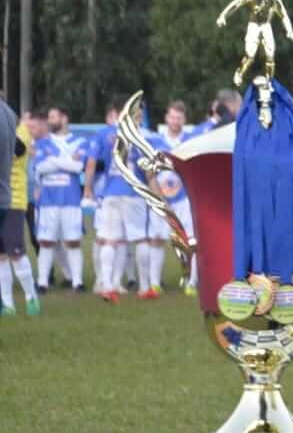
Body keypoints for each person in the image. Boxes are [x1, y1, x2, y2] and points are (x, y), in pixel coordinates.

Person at [87, 98, 140, 301]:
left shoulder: (104, 133)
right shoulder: (136, 132)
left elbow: (91, 163)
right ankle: (117, 282)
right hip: (132, 193)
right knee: (124, 240)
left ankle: (106, 282)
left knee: (108, 239)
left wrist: (88, 189)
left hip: (109, 192)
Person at [32, 106, 90, 294]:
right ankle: (42, 283)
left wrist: (54, 160)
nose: (49, 121)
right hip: (48, 200)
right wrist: (66, 161)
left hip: (71, 199)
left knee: (73, 241)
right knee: (46, 241)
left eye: (53, 117)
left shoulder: (79, 141)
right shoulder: (42, 142)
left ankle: (77, 282)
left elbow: (79, 167)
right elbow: (40, 168)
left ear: (64, 119)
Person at [149, 101, 199, 294]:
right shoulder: (155, 141)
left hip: (185, 198)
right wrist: (157, 196)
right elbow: (149, 171)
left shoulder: (192, 140)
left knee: (190, 240)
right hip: (161, 198)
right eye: (172, 117)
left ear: (184, 120)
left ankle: (191, 283)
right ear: (166, 118)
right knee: (157, 239)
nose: (175, 121)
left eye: (179, 117)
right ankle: (154, 283)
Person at [1, 94, 40, 318]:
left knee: (15, 252)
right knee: (1, 255)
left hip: (14, 199)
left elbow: (16, 151)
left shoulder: (20, 133)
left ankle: (30, 296)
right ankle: (8, 304)